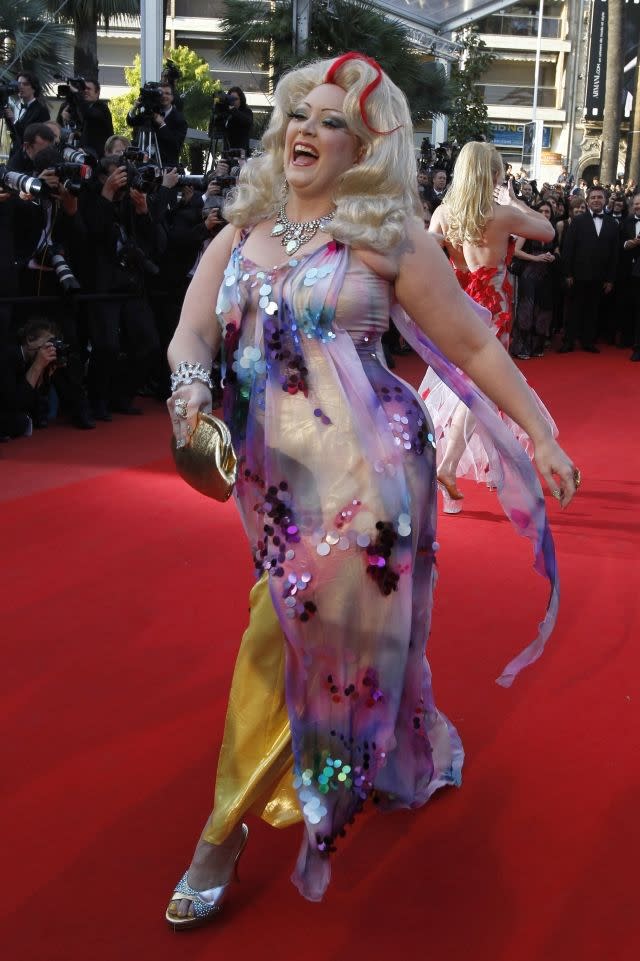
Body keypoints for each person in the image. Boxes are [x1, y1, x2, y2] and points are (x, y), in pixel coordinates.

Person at [164, 54, 578, 922]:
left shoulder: (389, 237)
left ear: (366, 145)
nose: (305, 130)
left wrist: (537, 428)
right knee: (332, 635)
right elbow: (190, 332)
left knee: (275, 637)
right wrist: (191, 391)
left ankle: (222, 832)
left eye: (330, 121)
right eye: (299, 116)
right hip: (278, 489)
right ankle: (399, 749)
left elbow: (470, 344)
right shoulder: (241, 231)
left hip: (373, 479)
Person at [420, 142, 558, 512]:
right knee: (483, 390)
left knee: (470, 389)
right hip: (493, 312)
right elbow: (547, 231)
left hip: (458, 308)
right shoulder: (501, 213)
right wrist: (515, 200)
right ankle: (448, 466)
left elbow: (433, 253)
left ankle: (488, 468)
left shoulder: (445, 212)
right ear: (494, 174)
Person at [560, 185, 619, 353]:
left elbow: (615, 253)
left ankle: (588, 341)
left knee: (593, 310)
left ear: (605, 200)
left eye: (599, 197)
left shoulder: (612, 223)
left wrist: (610, 279)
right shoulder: (578, 221)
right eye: (593, 197)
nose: (596, 200)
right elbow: (568, 249)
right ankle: (569, 341)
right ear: (588, 200)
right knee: (574, 310)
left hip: (600, 276)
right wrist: (568, 273)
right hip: (578, 275)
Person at [510, 200, 560, 359]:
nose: (545, 214)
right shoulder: (529, 229)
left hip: (546, 275)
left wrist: (554, 256)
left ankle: (537, 346)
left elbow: (557, 250)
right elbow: (516, 251)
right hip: (529, 274)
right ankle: (522, 347)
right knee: (527, 309)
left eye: (548, 212)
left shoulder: (552, 231)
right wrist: (535, 258)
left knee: (544, 309)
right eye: (542, 211)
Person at [58, 77, 113, 158]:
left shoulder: (102, 108)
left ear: (97, 93)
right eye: (83, 89)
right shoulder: (77, 108)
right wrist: (64, 119)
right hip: (80, 154)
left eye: (88, 89)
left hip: (99, 157)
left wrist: (77, 93)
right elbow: (69, 131)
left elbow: (89, 114)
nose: (85, 91)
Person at [4, 72, 49, 156]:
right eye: (19, 84)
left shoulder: (41, 109)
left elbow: (33, 135)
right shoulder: (15, 106)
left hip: (30, 156)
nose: (20, 87)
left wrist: (13, 120)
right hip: (15, 153)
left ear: (34, 88)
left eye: (25, 84)